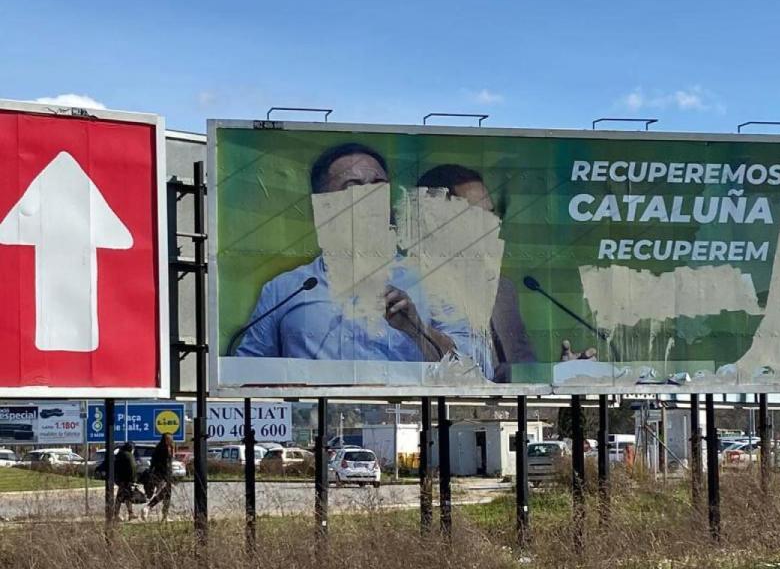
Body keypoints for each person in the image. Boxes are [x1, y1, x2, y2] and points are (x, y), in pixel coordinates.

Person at [235, 144, 491, 378]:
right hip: (316, 426)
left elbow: (477, 370)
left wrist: (418, 330)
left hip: (412, 424)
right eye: (354, 187)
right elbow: (245, 374)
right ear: (324, 206)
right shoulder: (285, 290)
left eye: (379, 184)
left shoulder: (434, 282)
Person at [415, 164, 535, 382]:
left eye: (490, 214)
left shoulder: (503, 290)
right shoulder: (408, 285)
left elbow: (521, 368)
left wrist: (564, 371)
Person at [142, 434, 174, 521]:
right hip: (164, 476)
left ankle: (164, 515)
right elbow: (166, 465)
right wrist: (167, 477)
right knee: (165, 494)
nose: (172, 440)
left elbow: (153, 463)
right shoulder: (166, 449)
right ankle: (149, 507)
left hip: (159, 475)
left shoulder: (159, 448)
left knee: (165, 494)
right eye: (171, 438)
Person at [113, 442, 137, 521]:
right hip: (127, 480)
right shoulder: (129, 456)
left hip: (121, 479)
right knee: (121, 497)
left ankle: (130, 513)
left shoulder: (120, 454)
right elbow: (132, 468)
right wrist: (133, 480)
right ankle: (116, 514)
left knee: (127, 497)